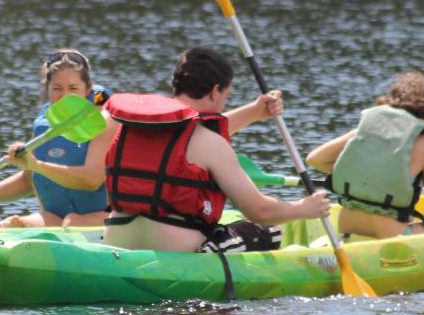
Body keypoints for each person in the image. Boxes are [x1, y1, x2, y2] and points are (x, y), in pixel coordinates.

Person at [101, 46, 332, 253]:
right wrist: (305, 208)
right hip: (179, 255)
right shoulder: (209, 143)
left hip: (118, 244)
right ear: (215, 91)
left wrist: (255, 111)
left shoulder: (129, 128)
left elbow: (184, 143)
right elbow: (260, 211)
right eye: (226, 96)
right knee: (268, 228)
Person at [306, 71, 424, 240]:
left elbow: (314, 159)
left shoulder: (365, 131)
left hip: (348, 235)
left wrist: (359, 172)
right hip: (392, 239)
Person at [0, 48, 112, 228]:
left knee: (72, 222)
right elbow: (28, 180)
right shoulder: (44, 123)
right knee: (12, 225)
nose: (65, 96)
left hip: (103, 218)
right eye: (57, 88)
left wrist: (36, 165)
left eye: (73, 88)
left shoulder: (105, 121)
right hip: (55, 217)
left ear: (88, 90)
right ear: (47, 89)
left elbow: (91, 180)